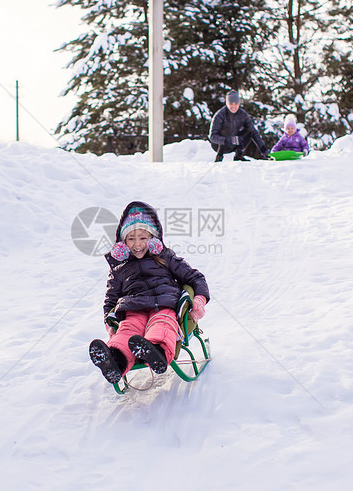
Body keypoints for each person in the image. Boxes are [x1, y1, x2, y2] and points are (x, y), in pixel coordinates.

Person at [89, 201, 210, 384]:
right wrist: (110, 322)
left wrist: (199, 300)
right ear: (123, 242)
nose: (137, 244)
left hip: (164, 304)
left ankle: (156, 352)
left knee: (162, 322)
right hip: (133, 308)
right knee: (128, 328)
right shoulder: (119, 268)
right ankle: (115, 360)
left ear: (153, 238)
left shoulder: (165, 257)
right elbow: (110, 300)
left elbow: (195, 278)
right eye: (131, 239)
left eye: (143, 238)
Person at [209, 90, 271, 162]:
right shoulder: (220, 115)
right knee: (224, 131)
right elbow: (212, 136)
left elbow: (253, 132)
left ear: (239, 104)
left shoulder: (243, 114)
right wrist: (228, 140)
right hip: (219, 145)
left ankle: (238, 155)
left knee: (249, 131)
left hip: (235, 143)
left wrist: (264, 150)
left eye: (236, 104)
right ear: (227, 104)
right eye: (231, 104)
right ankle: (219, 157)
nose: (234, 106)